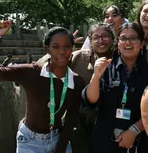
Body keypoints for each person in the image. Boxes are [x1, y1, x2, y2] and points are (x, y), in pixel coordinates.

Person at [0, 21, 85, 153]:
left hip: (58, 138)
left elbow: (71, 117)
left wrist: (60, 147)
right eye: (55, 47)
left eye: (67, 46)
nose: (62, 51)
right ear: (47, 49)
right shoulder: (31, 72)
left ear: (72, 49)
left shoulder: (77, 81)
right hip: (29, 141)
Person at [82, 22, 148, 153]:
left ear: (141, 43)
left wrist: (134, 131)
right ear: (118, 43)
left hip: (140, 143)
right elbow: (91, 100)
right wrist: (96, 77)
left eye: (133, 38)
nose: (127, 43)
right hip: (105, 143)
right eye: (123, 38)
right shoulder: (105, 67)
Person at [38, 23, 116, 153]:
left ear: (113, 39)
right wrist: (64, 45)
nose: (101, 40)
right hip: (79, 122)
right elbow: (45, 64)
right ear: (90, 41)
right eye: (96, 37)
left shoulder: (121, 59)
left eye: (105, 36)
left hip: (109, 123)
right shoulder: (79, 57)